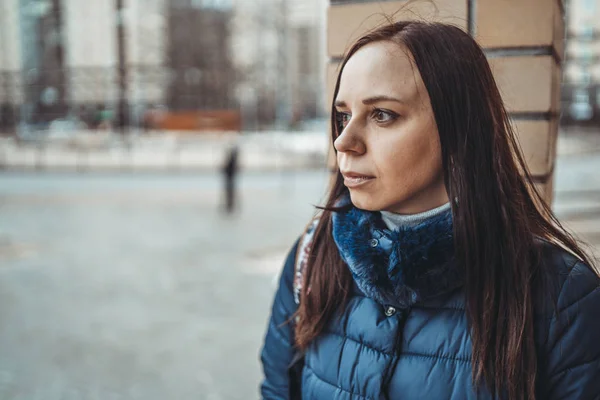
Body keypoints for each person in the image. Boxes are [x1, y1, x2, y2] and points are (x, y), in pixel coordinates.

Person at [260, 21, 600, 400]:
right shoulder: (314, 256)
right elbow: (277, 389)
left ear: (458, 128)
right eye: (343, 115)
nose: (344, 141)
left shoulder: (562, 297)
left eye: (382, 115)